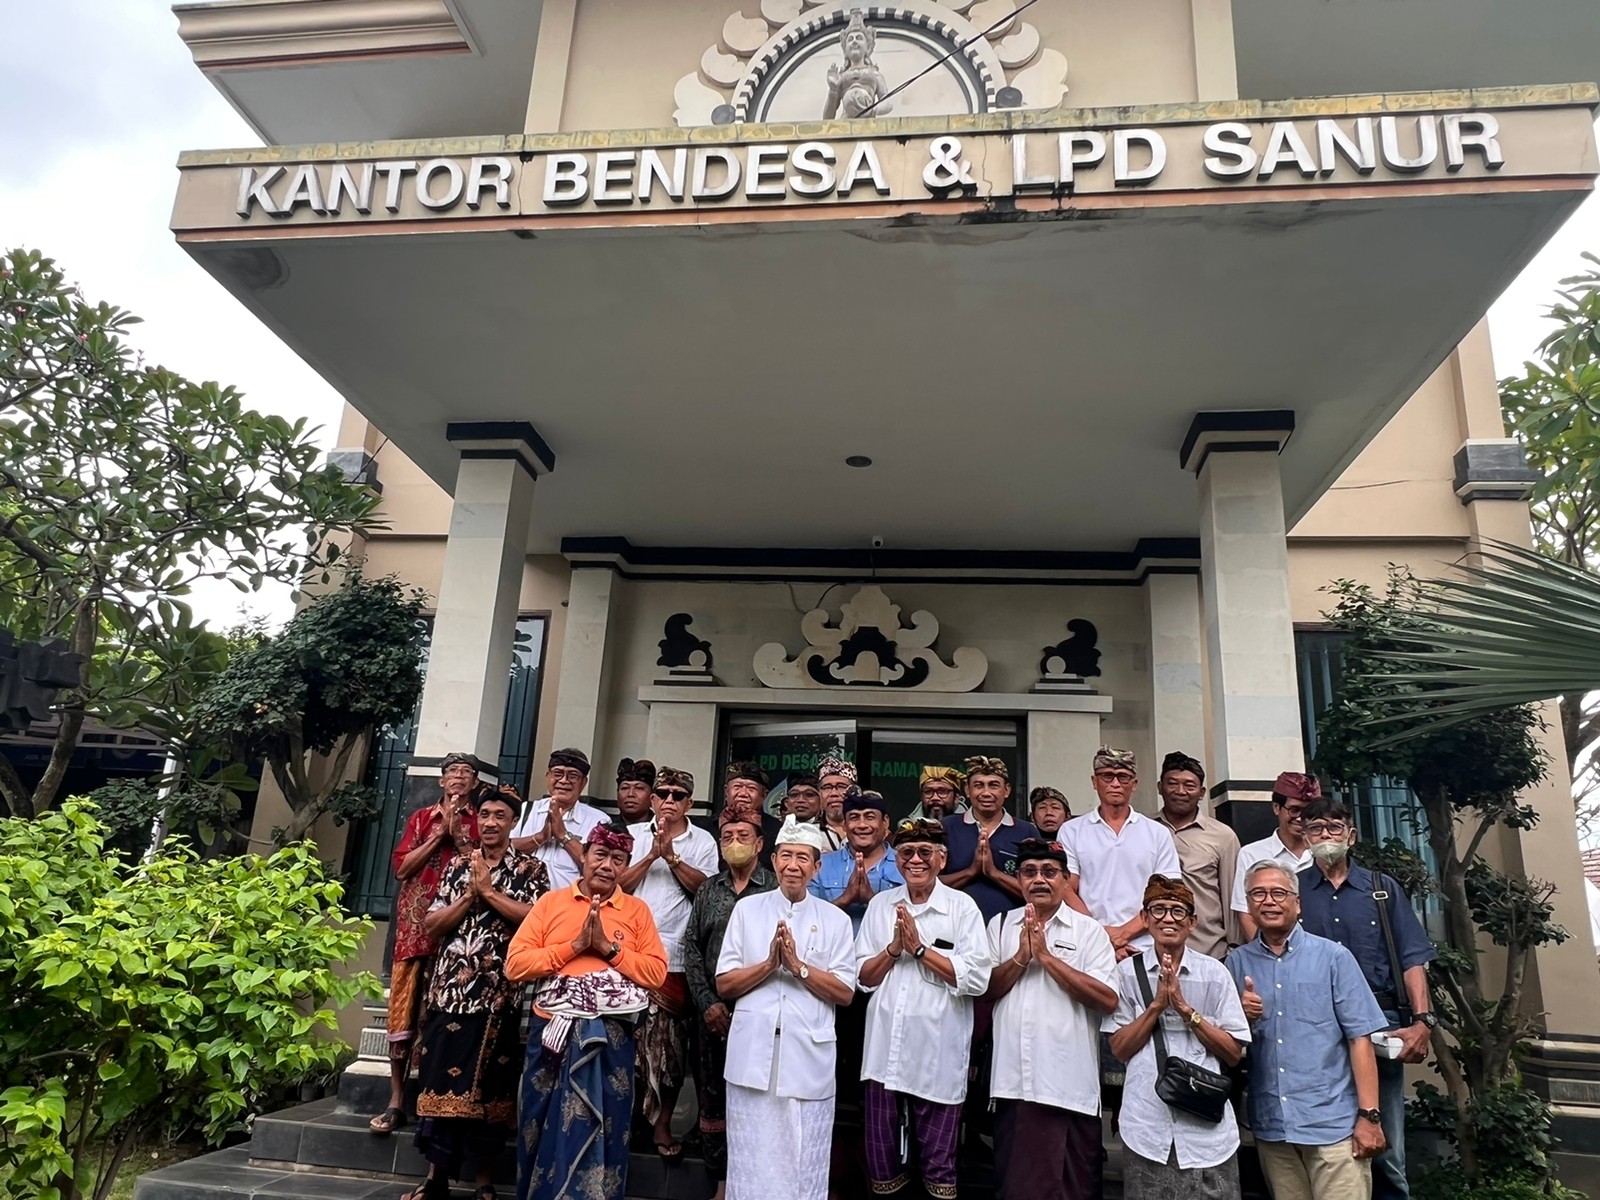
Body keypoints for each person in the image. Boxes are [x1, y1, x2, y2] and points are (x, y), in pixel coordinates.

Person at [506, 821, 669, 1200]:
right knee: (540, 1122)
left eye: (618, 859)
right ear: (585, 857)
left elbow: (656, 973)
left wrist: (609, 950)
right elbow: (515, 965)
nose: (607, 866)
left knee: (608, 1125)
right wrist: (575, 946)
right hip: (553, 1035)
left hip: (610, 1040)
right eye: (600, 855)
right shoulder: (551, 903)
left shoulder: (636, 910)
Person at [408, 785, 547, 1200]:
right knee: (439, 1088)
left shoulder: (530, 870)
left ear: (513, 822)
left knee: (492, 1092)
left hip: (498, 996)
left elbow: (535, 920)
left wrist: (490, 893)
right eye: (484, 814)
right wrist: (472, 893)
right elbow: (432, 925)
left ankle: (484, 1181)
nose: (490, 822)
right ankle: (436, 1180)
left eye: (499, 816)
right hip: (449, 992)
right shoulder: (456, 866)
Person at [1298, 797, 1437, 1200]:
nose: (1326, 836)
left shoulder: (1381, 889)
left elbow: (1412, 957)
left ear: (1351, 835)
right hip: (1315, 1025)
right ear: (1305, 839)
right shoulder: (1293, 891)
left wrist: (1422, 1021)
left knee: (1385, 1141)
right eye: (1316, 829)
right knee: (1323, 1135)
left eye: (1334, 827)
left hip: (1382, 1021)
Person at [1227, 862, 1389, 1200]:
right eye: (1258, 893)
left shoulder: (1333, 957)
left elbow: (1360, 1038)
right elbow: (1228, 1045)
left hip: (1334, 1125)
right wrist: (1242, 1018)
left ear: (1297, 903)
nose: (1268, 901)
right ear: (1248, 904)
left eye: (1278, 893)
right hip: (1273, 1126)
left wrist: (1369, 1117)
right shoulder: (1236, 964)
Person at [716, 816, 858, 1200]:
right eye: (786, 857)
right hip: (753, 1055)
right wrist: (768, 965)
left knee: (803, 1159)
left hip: (806, 1056)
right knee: (751, 1158)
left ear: (817, 867)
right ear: (774, 861)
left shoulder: (836, 920)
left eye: (803, 858)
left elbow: (845, 992)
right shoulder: (747, 911)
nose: (793, 865)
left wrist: (798, 968)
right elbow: (725, 983)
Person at [855, 819, 994, 1200]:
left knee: (939, 1166)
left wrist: (919, 950)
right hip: (885, 1052)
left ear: (942, 858)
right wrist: (893, 949)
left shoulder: (961, 907)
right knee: (881, 1162)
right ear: (897, 859)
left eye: (924, 852)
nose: (915, 860)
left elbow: (977, 979)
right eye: (906, 853)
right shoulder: (883, 905)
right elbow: (863, 978)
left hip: (937, 1053)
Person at [985, 839, 1119, 1200]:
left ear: (1065, 880)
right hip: (1015, 1082)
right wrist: (1021, 958)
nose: (1039, 880)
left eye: (1049, 872)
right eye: (1029, 872)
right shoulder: (1001, 925)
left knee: (1072, 1188)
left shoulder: (1088, 931)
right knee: (1018, 1186)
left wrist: (1046, 959)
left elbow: (1108, 999)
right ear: (1020, 880)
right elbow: (985, 991)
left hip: (1070, 1084)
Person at [1105, 875, 1249, 1200]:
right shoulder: (1126, 973)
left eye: (1177, 911)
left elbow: (1233, 1052)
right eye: (1158, 910)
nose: (1167, 918)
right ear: (1144, 918)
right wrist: (1156, 1006)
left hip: (1207, 1131)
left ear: (1192, 922)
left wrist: (1186, 1011)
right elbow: (1119, 1049)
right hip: (1146, 1124)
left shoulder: (1214, 973)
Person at [371, 751, 480, 1136]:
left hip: (458, 938)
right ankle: (396, 1100)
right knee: (403, 1017)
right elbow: (402, 868)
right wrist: (439, 835)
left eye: (466, 773)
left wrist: (460, 836)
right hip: (414, 934)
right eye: (452, 772)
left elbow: (482, 868)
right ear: (441, 781)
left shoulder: (480, 822)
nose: (459, 778)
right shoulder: (421, 819)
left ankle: (431, 1099)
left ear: (474, 783)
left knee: (441, 1019)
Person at [618, 766, 719, 1161]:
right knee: (629, 1043)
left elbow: (706, 891)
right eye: (663, 794)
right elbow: (615, 884)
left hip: (674, 955)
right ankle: (624, 1120)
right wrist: (650, 857)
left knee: (670, 1048)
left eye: (679, 795)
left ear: (689, 803)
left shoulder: (704, 840)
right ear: (653, 799)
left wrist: (673, 859)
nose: (669, 801)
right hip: (626, 951)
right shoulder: (631, 836)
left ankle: (661, 1124)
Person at [683, 799, 778, 1200]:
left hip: (761, 1011)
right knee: (714, 1097)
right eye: (728, 837)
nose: (735, 843)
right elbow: (690, 947)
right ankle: (721, 1180)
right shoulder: (709, 889)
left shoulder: (775, 887)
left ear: (759, 844)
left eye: (743, 836)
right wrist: (707, 1002)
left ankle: (758, 1177)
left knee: (758, 1096)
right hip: (714, 1013)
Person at [1061, 747, 1182, 960]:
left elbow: (1167, 893)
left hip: (1145, 946)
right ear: (1094, 781)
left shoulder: (1157, 833)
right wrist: (1099, 934)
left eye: (1123, 777)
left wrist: (1123, 934)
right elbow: (1066, 888)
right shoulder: (1072, 830)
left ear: (1134, 784)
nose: (1115, 784)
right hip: (1088, 945)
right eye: (1107, 776)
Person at [1154, 751, 1241, 960]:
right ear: (1160, 788)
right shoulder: (1144, 830)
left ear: (1201, 792)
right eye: (1172, 783)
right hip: (1152, 951)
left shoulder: (1223, 836)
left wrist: (1235, 948)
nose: (1180, 791)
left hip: (1209, 950)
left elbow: (1232, 896)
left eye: (1189, 785)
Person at [940, 756, 1036, 925]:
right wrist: (971, 871)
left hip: (1010, 928)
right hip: (953, 926)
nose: (986, 793)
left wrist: (994, 873)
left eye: (993, 785)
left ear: (1006, 790)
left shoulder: (1026, 831)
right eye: (978, 785)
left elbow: (1037, 891)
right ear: (967, 790)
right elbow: (927, 884)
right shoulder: (946, 828)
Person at [1232, 771, 1319, 942]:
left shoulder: (1323, 853)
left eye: (1308, 811)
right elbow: (1245, 914)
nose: (1301, 818)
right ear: (1276, 808)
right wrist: (1266, 956)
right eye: (1294, 810)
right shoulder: (1252, 854)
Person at [510, 748, 609, 889]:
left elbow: (597, 867)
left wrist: (562, 835)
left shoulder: (599, 821)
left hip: (565, 906)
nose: (563, 780)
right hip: (518, 901)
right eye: (558, 774)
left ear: (584, 783)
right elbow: (503, 849)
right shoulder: (526, 809)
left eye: (573, 776)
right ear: (547, 777)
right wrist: (540, 837)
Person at [810, 787, 904, 933]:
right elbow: (806, 921)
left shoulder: (906, 865)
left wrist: (872, 900)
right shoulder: (819, 866)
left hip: (888, 954)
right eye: (854, 818)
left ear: (885, 822)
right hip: (832, 954)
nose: (862, 825)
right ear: (844, 825)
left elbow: (917, 923)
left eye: (870, 817)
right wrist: (845, 899)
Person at [725, 761, 782, 863]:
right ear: (726, 791)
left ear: (764, 795)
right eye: (737, 787)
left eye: (751, 788)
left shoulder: (778, 831)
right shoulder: (706, 829)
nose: (743, 793)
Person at [783, 771, 844, 850]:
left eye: (809, 794)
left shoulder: (843, 830)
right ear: (786, 803)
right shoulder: (776, 832)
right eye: (794, 795)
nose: (800, 800)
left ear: (821, 801)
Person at [819, 755, 857, 847]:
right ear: (819, 793)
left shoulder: (867, 831)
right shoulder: (808, 833)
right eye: (827, 787)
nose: (834, 793)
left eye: (841, 786)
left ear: (854, 791)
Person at [614, 757, 657, 824]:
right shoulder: (604, 830)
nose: (630, 794)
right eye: (625, 788)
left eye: (639, 788)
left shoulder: (664, 829)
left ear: (652, 796)